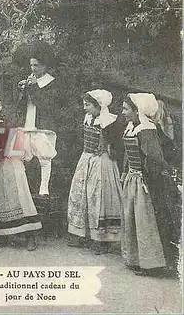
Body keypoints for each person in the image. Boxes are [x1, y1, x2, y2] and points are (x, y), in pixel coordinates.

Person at [121, 93, 181, 277]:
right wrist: (125, 172)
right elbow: (127, 152)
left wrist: (146, 177)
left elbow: (154, 158)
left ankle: (151, 263)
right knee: (133, 218)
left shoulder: (146, 130)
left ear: (137, 110)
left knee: (145, 220)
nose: (123, 112)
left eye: (126, 109)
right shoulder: (132, 126)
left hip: (146, 182)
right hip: (133, 179)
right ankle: (136, 258)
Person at [0, 97, 42, 250]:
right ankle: (1, 235)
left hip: (8, 169)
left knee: (18, 200)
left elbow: (1, 152)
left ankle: (30, 236)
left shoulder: (6, 128)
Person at [67, 90, 124, 254]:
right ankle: (82, 234)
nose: (85, 108)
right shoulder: (88, 118)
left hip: (101, 163)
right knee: (80, 194)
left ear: (99, 105)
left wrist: (106, 147)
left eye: (88, 105)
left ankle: (102, 239)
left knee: (98, 197)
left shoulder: (109, 121)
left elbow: (116, 146)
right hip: (86, 159)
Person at [16, 49, 59, 195]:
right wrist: (22, 90)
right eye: (32, 65)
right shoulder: (30, 81)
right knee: (25, 155)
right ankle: (25, 188)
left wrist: (33, 87)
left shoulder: (52, 82)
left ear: (45, 66)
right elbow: (21, 106)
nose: (33, 69)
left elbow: (45, 105)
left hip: (42, 124)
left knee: (44, 156)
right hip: (28, 121)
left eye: (37, 65)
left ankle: (44, 189)